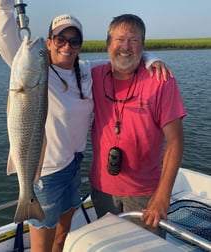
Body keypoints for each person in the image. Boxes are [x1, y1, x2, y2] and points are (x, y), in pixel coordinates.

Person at [0, 1, 172, 250]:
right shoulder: (34, 70)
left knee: (61, 236)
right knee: (41, 246)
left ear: (80, 46)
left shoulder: (88, 70)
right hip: (45, 172)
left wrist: (153, 59)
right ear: (49, 42)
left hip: (73, 168)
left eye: (74, 41)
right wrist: (3, 6)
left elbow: (122, 56)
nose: (67, 45)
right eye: (60, 39)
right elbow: (5, 39)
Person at [90, 13, 186, 236]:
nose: (125, 47)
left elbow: (176, 141)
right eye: (119, 39)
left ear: (143, 46)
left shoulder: (161, 80)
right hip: (102, 189)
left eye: (134, 40)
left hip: (145, 194)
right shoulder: (92, 75)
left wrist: (162, 196)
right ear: (107, 44)